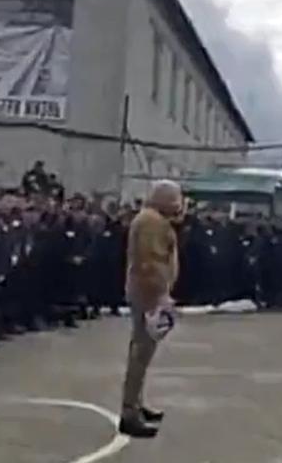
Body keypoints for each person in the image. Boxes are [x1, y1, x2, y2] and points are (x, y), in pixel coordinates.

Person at [119, 180, 183, 438]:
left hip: (149, 294)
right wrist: (161, 295)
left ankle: (135, 404)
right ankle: (129, 413)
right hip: (148, 295)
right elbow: (150, 261)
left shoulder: (154, 220)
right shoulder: (151, 222)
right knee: (140, 354)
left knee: (143, 353)